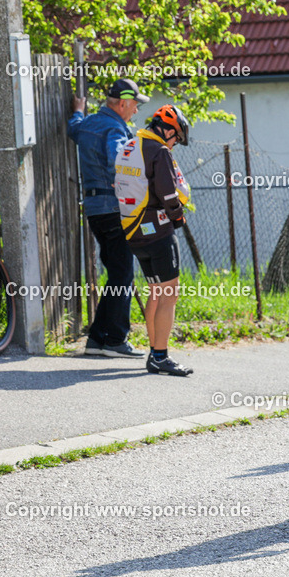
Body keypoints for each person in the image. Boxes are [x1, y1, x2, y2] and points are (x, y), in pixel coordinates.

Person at [67, 79, 149, 358]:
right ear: (123, 102)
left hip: (94, 209)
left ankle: (97, 339)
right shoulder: (115, 128)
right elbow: (120, 162)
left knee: (117, 273)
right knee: (123, 273)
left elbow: (73, 129)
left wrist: (78, 110)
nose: (136, 110)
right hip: (115, 210)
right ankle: (115, 340)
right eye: (135, 104)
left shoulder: (88, 123)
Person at [114, 105, 194, 376]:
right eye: (177, 138)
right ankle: (160, 357)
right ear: (169, 130)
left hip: (133, 230)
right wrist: (178, 218)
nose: (176, 144)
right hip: (157, 231)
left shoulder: (131, 145)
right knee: (169, 294)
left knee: (157, 292)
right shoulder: (159, 151)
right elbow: (168, 193)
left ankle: (154, 353)